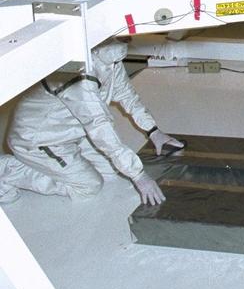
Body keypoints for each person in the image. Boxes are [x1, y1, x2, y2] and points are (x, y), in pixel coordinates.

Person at [0, 39, 172, 205]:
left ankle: (58, 164)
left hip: (68, 132)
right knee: (89, 186)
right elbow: (99, 126)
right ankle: (8, 169)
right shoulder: (78, 73)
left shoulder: (109, 59)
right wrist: (139, 175)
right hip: (38, 140)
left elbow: (126, 94)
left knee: (111, 172)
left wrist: (153, 131)